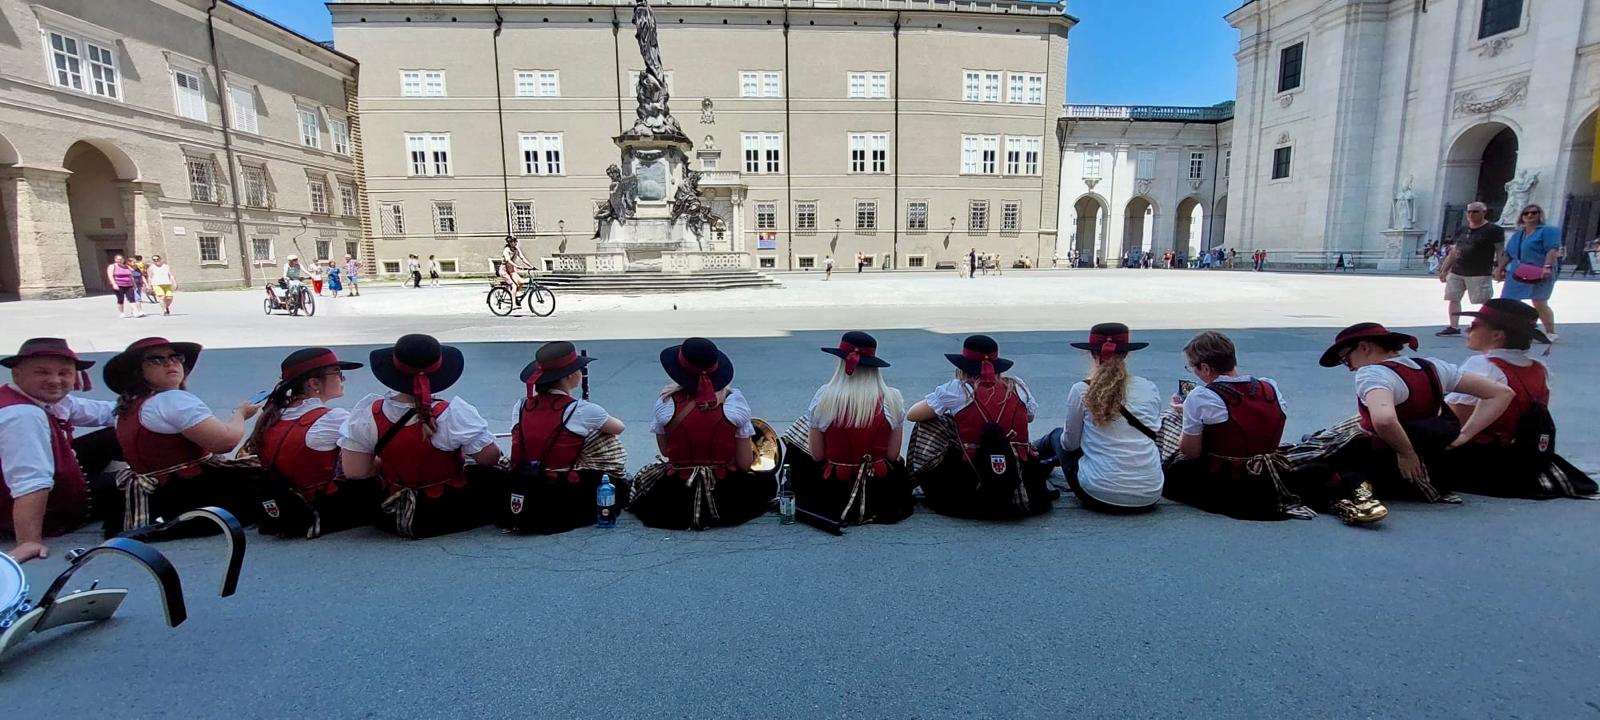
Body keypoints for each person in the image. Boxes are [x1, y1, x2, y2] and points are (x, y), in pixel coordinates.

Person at [1161, 332, 1385, 524]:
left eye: (1192, 368)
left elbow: (1191, 452)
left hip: (1228, 477)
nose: (1194, 373)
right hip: (1270, 467)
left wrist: (1184, 414)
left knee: (1172, 461)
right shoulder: (1269, 387)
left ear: (1206, 368)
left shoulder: (1201, 396)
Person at [1316, 323, 1513, 502]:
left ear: (1364, 347)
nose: (1349, 368)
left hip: (1385, 460)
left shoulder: (1373, 374)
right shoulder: (1433, 366)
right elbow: (1501, 393)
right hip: (1432, 463)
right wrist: (1465, 435)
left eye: (1346, 360)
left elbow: (1384, 420)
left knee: (1312, 466)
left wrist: (1406, 453)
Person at [339, 334, 501, 539]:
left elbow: (355, 472)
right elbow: (490, 458)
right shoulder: (453, 413)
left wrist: (394, 460)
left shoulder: (368, 413)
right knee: (493, 475)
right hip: (443, 510)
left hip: (390, 508)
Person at [103, 337, 263, 535]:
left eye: (175, 357)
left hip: (152, 494)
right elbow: (225, 442)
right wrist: (240, 414)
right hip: (186, 490)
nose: (170, 363)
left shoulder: (130, 404)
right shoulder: (172, 400)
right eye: (156, 360)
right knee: (271, 483)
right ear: (138, 371)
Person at [1442, 300, 1597, 499]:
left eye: (1474, 325)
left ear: (1497, 335)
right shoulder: (1539, 368)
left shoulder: (1482, 365)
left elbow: (1455, 418)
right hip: (1519, 455)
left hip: (1479, 456)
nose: (1467, 329)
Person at [628, 337, 774, 530]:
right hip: (724, 487)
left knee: (642, 482)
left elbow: (665, 451)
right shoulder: (734, 402)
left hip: (678, 488)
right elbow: (744, 463)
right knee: (767, 482)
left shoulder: (665, 402)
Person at [0, 339, 121, 562]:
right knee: (136, 485)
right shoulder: (23, 416)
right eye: (42, 372)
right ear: (17, 374)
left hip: (56, 469)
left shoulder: (37, 397)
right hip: (47, 508)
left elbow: (105, 412)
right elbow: (30, 480)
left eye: (64, 373)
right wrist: (28, 541)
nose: (55, 380)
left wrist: (156, 405)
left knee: (121, 430)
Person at [906, 335, 1052, 519]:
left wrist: (954, 415)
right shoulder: (1018, 387)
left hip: (976, 473)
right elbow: (1029, 418)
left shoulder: (957, 390)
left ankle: (915, 478)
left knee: (929, 422)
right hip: (1024, 476)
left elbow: (913, 414)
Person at [242, 348, 377, 539]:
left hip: (285, 501)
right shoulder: (331, 418)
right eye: (338, 373)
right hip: (321, 507)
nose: (343, 379)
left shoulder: (273, 415)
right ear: (314, 383)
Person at [1030, 324, 1162, 513]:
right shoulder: (1149, 387)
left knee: (1056, 436)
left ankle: (1029, 458)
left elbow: (1070, 445)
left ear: (1092, 354)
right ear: (1126, 354)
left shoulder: (1082, 389)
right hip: (1150, 494)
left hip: (1100, 495)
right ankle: (1045, 462)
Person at [785, 332, 913, 526]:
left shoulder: (824, 396)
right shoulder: (893, 398)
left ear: (842, 363)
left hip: (834, 492)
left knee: (797, 440)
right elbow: (893, 455)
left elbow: (818, 455)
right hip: (879, 491)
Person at [502, 341, 628, 534]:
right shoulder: (582, 409)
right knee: (616, 481)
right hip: (559, 485)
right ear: (570, 375)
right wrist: (591, 415)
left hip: (523, 478)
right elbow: (618, 428)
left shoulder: (520, 405)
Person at [1436, 202, 1505, 337]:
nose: (1471, 214)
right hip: (1457, 270)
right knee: (1453, 298)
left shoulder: (1493, 230)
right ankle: (1453, 326)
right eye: (1469, 212)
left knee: (1484, 300)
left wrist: (1499, 268)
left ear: (1484, 212)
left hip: (1479, 271)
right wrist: (1444, 269)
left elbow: (1500, 251)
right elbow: (1454, 251)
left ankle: (1489, 324)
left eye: (1475, 211)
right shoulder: (1462, 229)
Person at [1496, 204, 1561, 342]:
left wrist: (1547, 267)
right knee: (1508, 300)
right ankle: (1512, 329)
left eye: (1534, 213)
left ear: (1539, 215)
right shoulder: (1518, 234)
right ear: (1522, 217)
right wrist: (1499, 268)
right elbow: (1509, 254)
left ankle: (1550, 332)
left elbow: (1552, 250)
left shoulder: (1548, 230)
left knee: (1539, 301)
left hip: (1541, 270)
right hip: (1518, 271)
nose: (1530, 215)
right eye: (1526, 213)